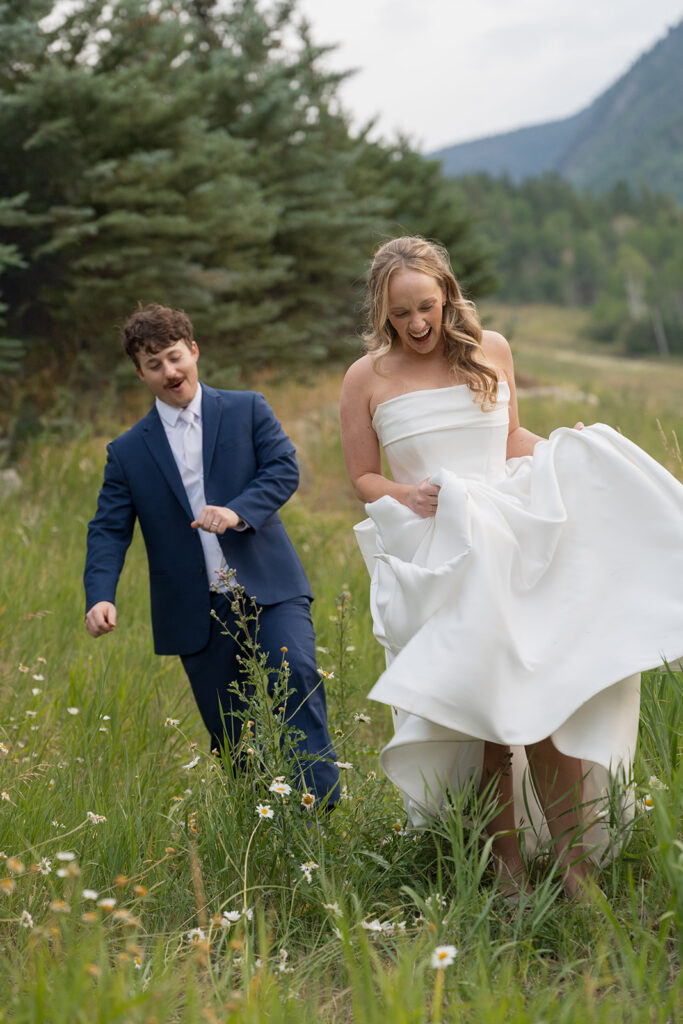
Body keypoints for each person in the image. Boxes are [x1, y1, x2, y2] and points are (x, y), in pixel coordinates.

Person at [340, 236, 683, 899]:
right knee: (486, 724)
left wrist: (566, 447)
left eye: (427, 307)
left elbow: (507, 441)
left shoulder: (488, 350)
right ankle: (507, 873)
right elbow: (361, 476)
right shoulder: (366, 377)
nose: (416, 325)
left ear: (447, 296)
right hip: (445, 558)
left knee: (550, 706)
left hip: (515, 546)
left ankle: (574, 868)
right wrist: (405, 495)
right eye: (400, 313)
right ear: (381, 309)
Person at [84, 303, 340, 806]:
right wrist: (100, 595)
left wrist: (237, 511)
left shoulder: (246, 409)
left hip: (269, 586)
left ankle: (321, 818)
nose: (170, 372)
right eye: (154, 365)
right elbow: (109, 529)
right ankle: (259, 827)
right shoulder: (128, 451)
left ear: (194, 351)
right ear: (140, 373)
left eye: (175, 357)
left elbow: (283, 469)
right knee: (232, 732)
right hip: (194, 609)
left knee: (297, 677)